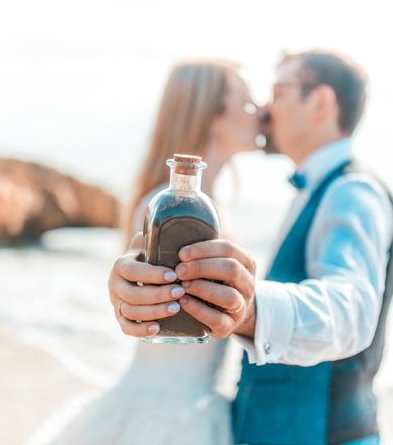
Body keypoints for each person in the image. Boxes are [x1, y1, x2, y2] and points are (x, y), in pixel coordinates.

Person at [109, 49, 393, 445]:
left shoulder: (352, 192)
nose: (263, 110)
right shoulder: (301, 192)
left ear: (319, 102)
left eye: (277, 93)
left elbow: (351, 309)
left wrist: (246, 307)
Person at [46, 60, 259, 445]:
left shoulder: (213, 207)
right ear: (211, 113)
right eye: (246, 103)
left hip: (196, 404)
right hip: (167, 416)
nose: (259, 112)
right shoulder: (169, 210)